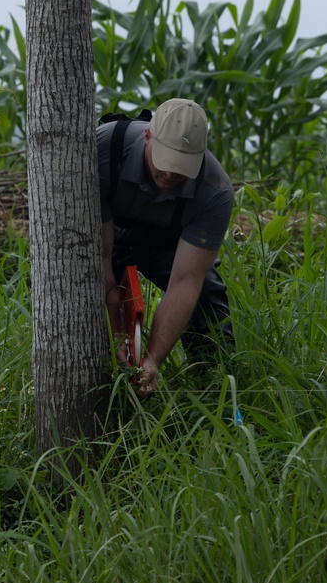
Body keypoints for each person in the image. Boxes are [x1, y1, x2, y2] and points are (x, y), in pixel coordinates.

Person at [99, 98, 235, 397]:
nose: (171, 174)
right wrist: (116, 332)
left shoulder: (215, 191)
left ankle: (212, 387)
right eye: (165, 160)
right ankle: (103, 390)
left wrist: (153, 360)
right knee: (90, 298)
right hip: (110, 235)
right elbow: (102, 263)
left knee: (209, 298)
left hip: (166, 242)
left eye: (181, 166)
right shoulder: (104, 149)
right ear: (148, 135)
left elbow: (186, 282)